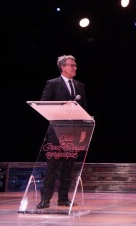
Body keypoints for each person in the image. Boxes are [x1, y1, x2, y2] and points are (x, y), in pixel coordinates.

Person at [37, 54, 88, 209]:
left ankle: (63, 198)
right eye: (72, 65)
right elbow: (44, 104)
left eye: (75, 65)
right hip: (56, 132)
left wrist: (83, 130)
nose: (75, 67)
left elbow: (84, 108)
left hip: (73, 133)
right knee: (52, 166)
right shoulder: (52, 83)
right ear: (63, 67)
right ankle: (45, 199)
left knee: (68, 167)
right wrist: (61, 106)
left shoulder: (80, 86)